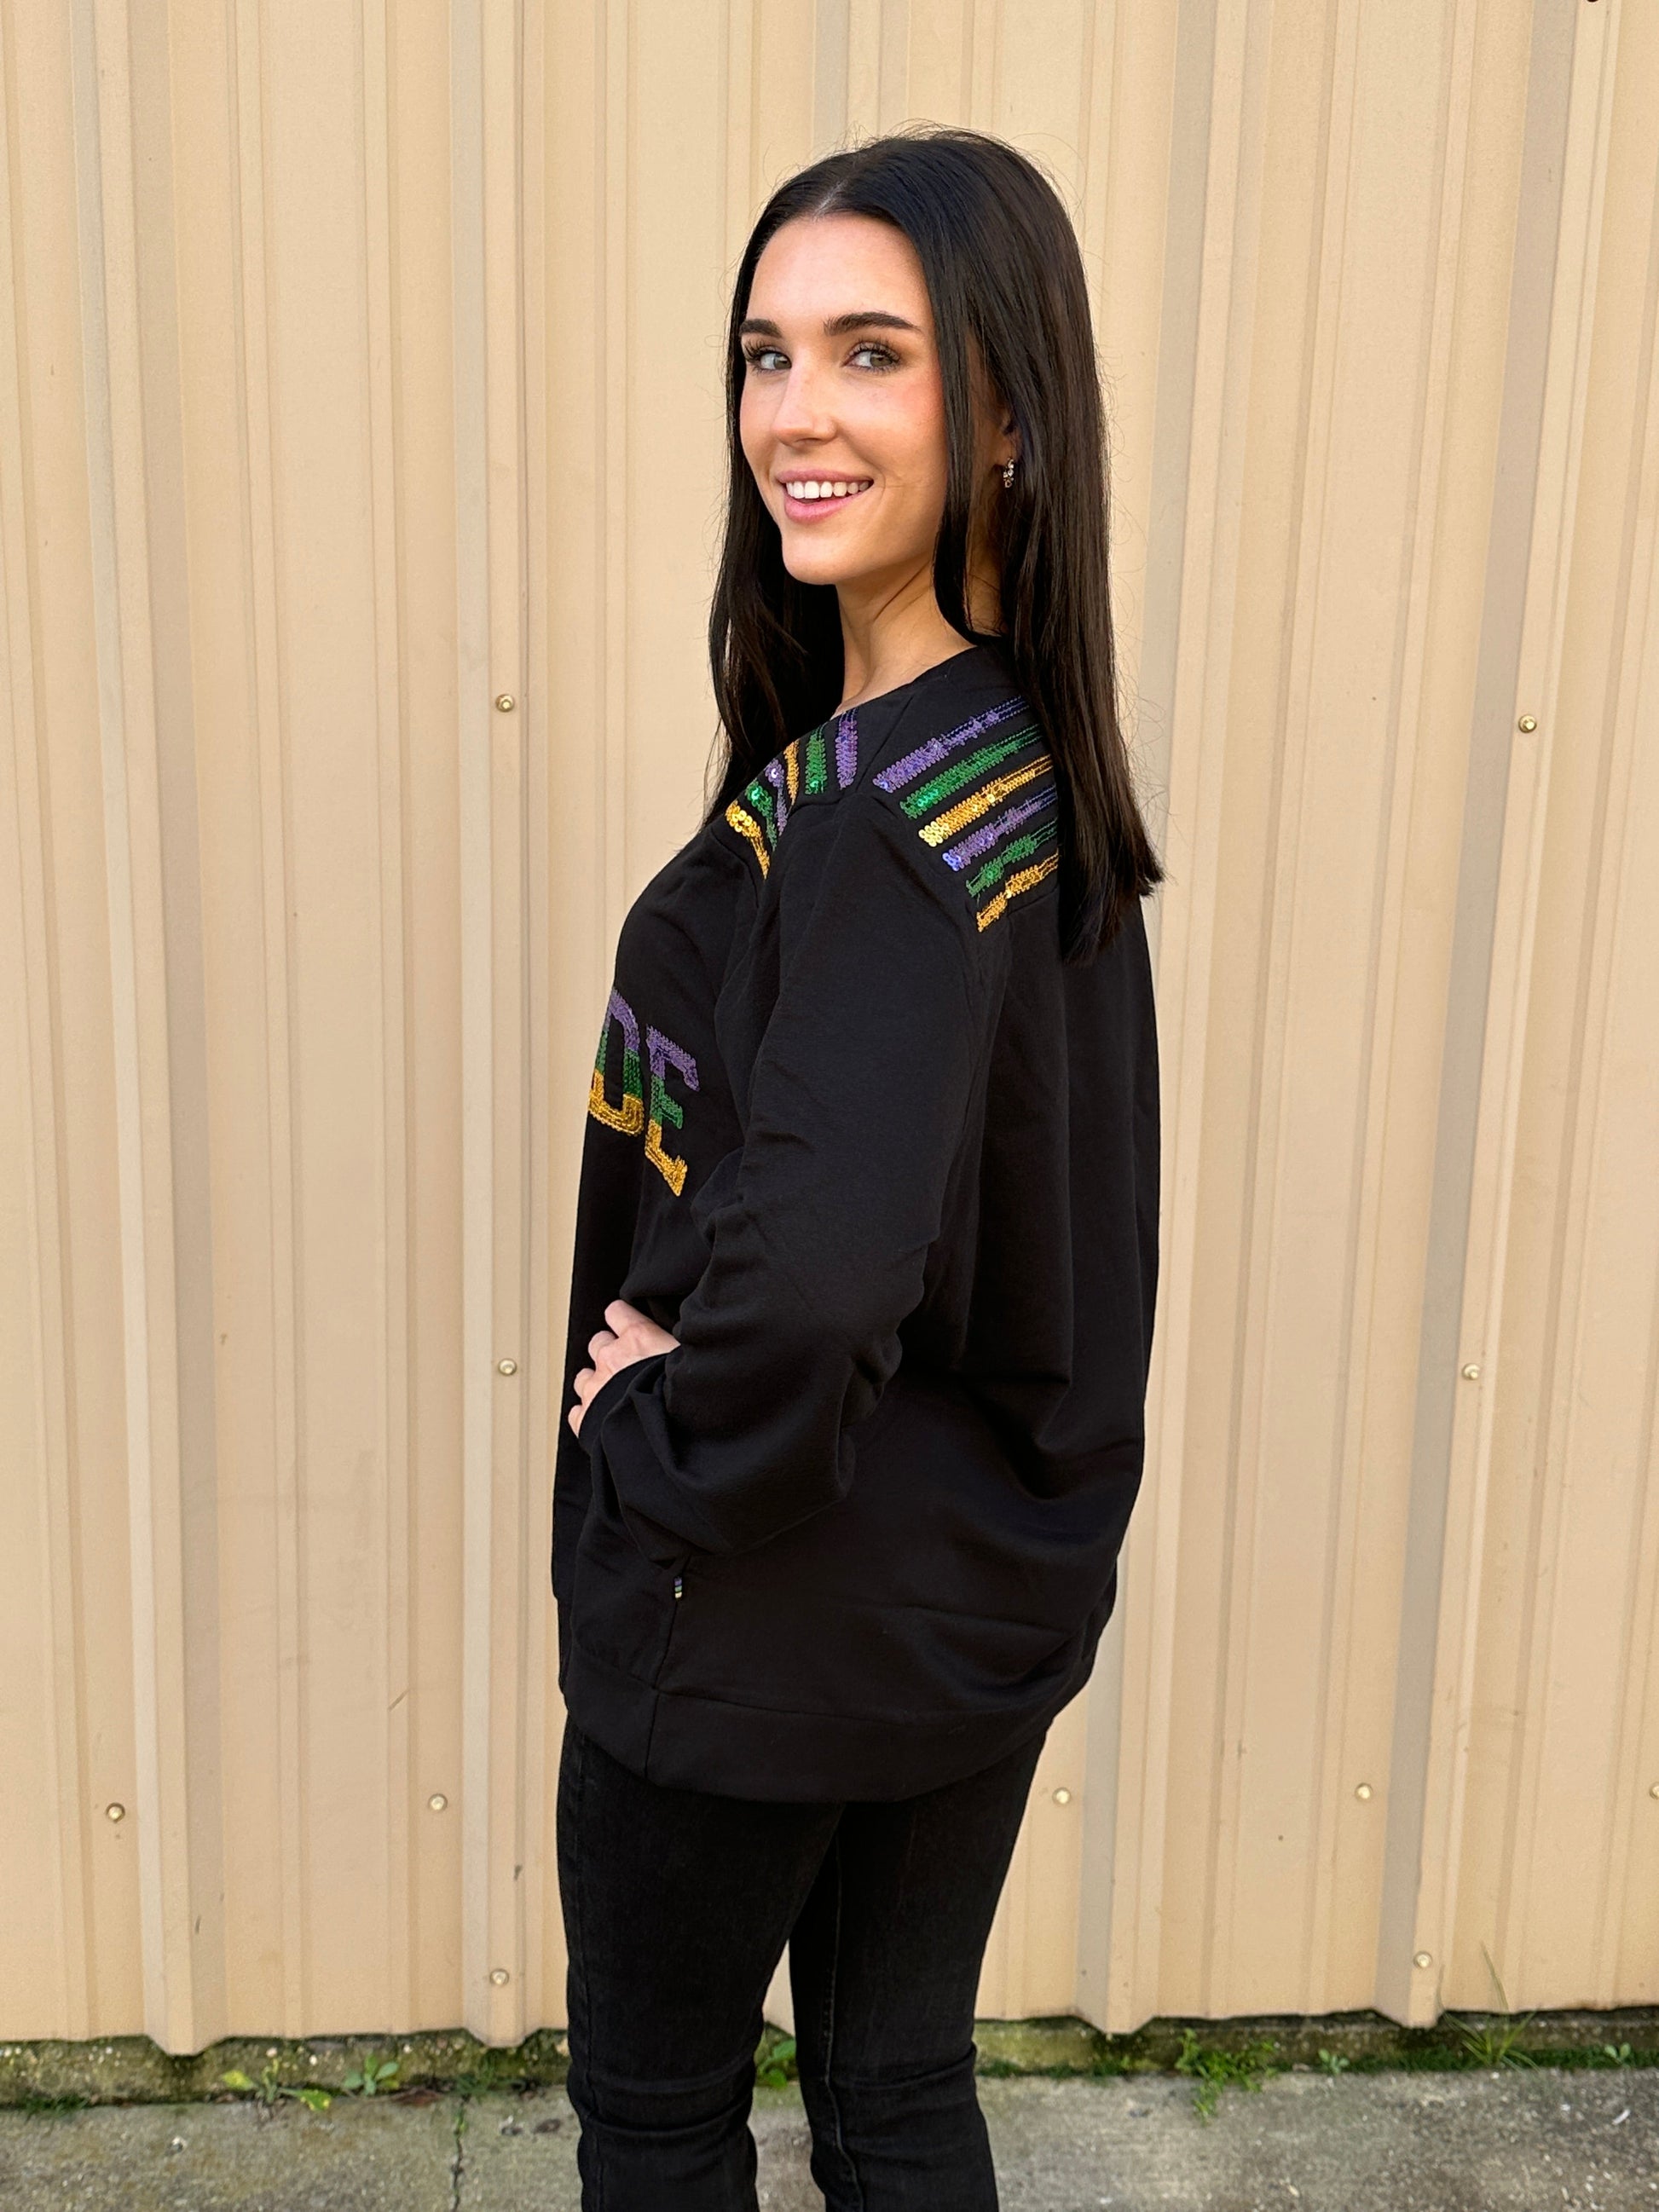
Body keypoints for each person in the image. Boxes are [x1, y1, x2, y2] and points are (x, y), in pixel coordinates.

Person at [552, 123, 1163, 2211]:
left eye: (869, 352)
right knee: (895, 2087)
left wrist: (664, 1436)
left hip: (760, 1604)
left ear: (1003, 415)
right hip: (969, 1582)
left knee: (660, 2113)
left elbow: (819, 1275)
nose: (792, 412)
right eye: (766, 352)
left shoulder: (875, 827)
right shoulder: (1015, 759)